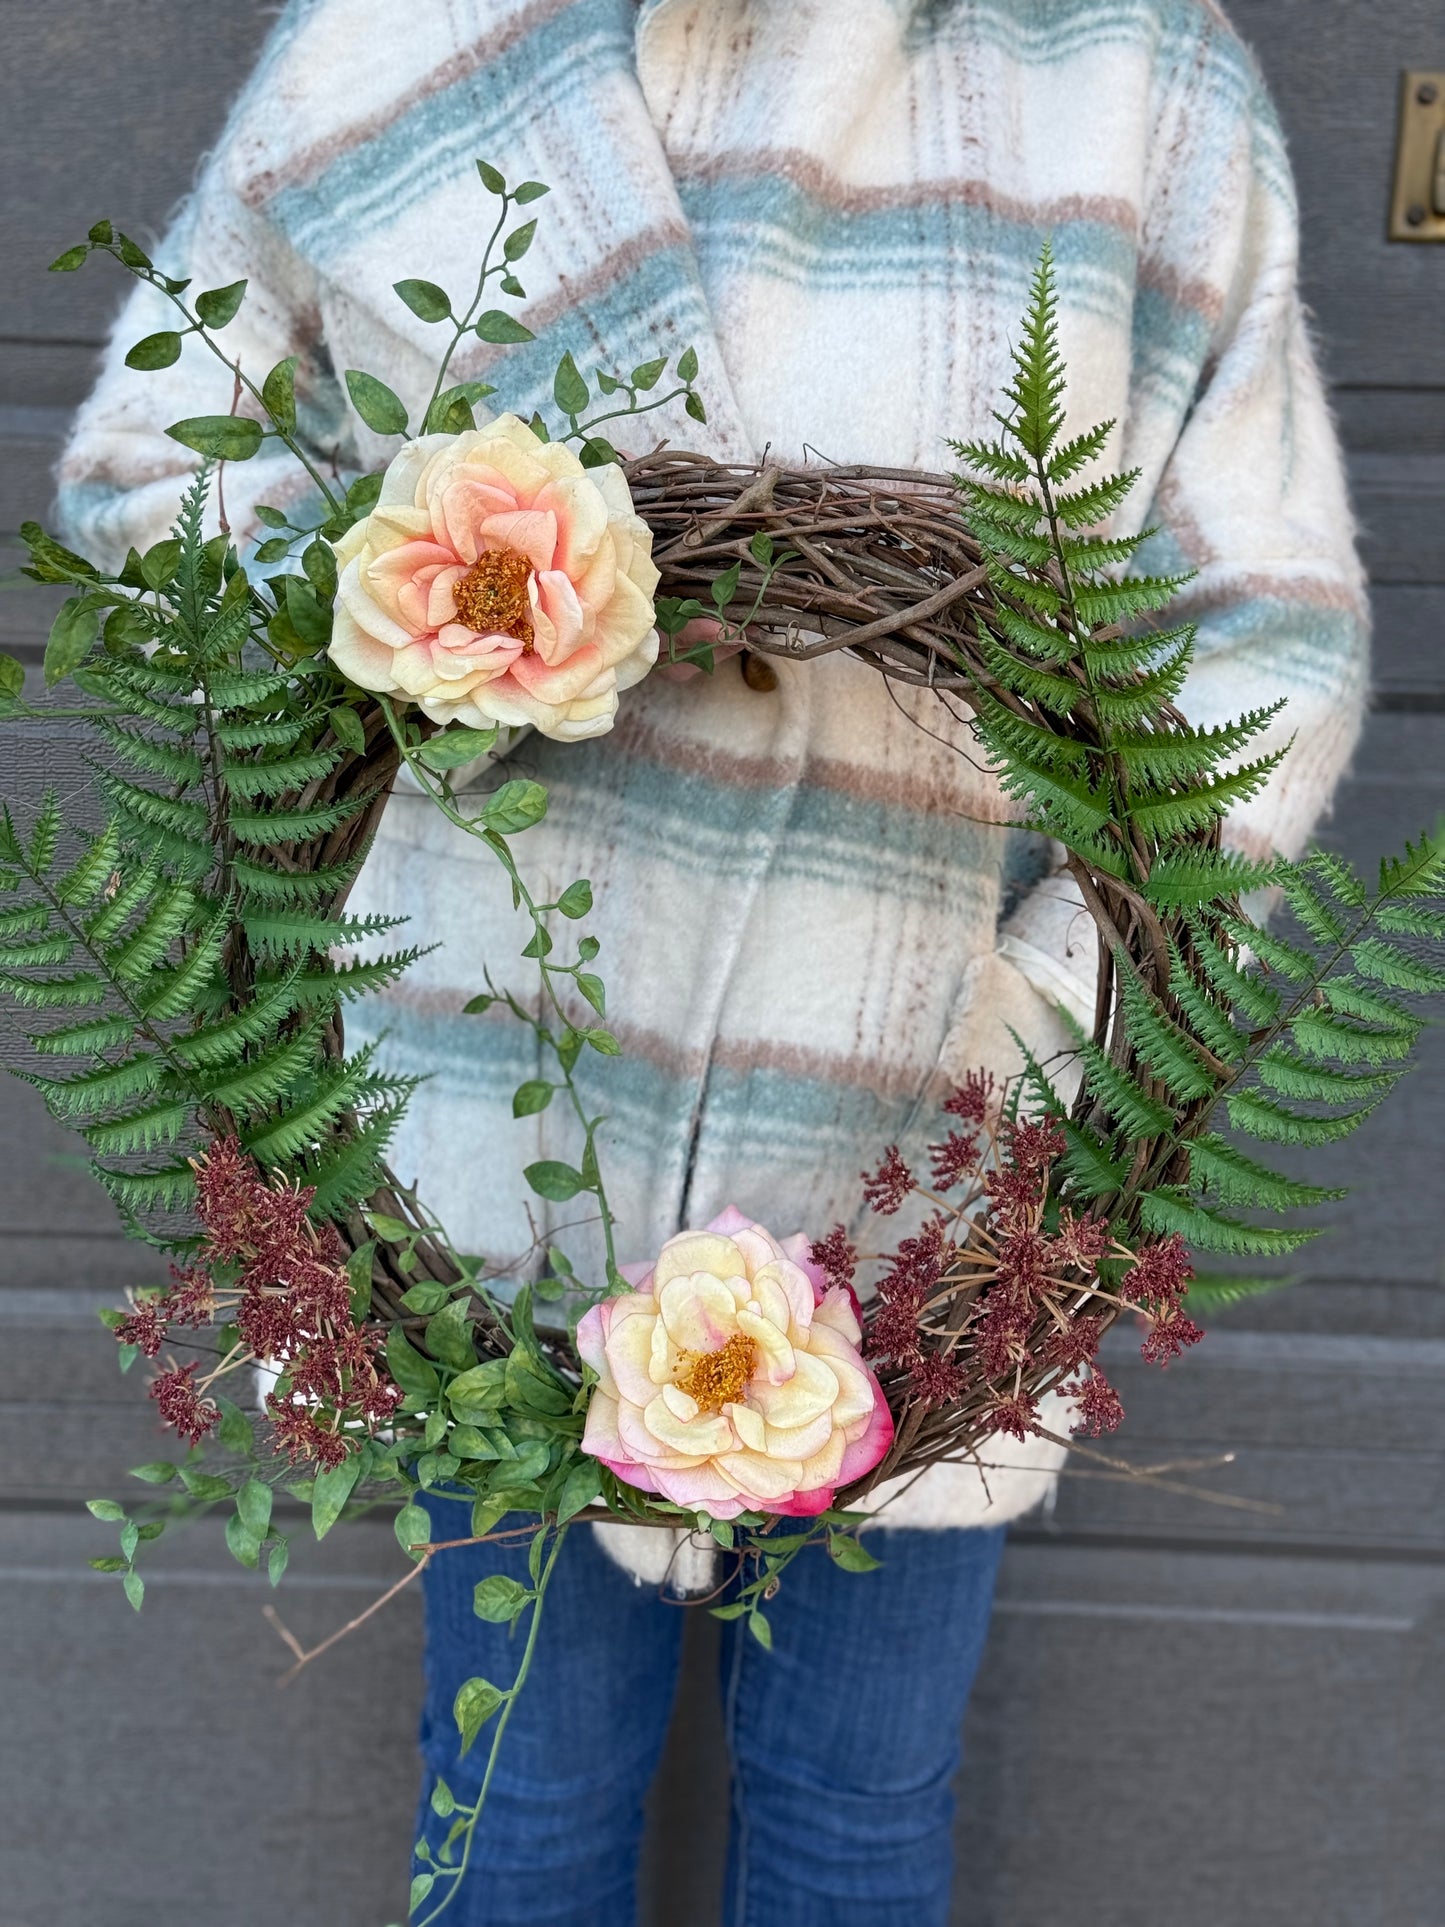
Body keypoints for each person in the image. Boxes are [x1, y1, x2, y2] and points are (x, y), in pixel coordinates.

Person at [58, 2, 1367, 1921]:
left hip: (933, 1161)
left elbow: (1267, 637)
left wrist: (1047, 1046)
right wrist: (426, 613)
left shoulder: (1130, 82)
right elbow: (151, 486)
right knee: (515, 1797)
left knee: (856, 1807)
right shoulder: (407, 44)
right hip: (492, 1142)